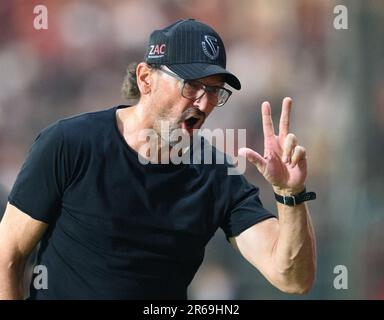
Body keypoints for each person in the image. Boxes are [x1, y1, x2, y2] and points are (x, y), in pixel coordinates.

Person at [0, 19, 316, 299]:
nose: (204, 103)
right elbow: (8, 254)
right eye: (192, 85)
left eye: (215, 91)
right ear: (145, 78)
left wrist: (290, 194)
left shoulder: (217, 175)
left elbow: (291, 278)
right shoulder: (69, 145)